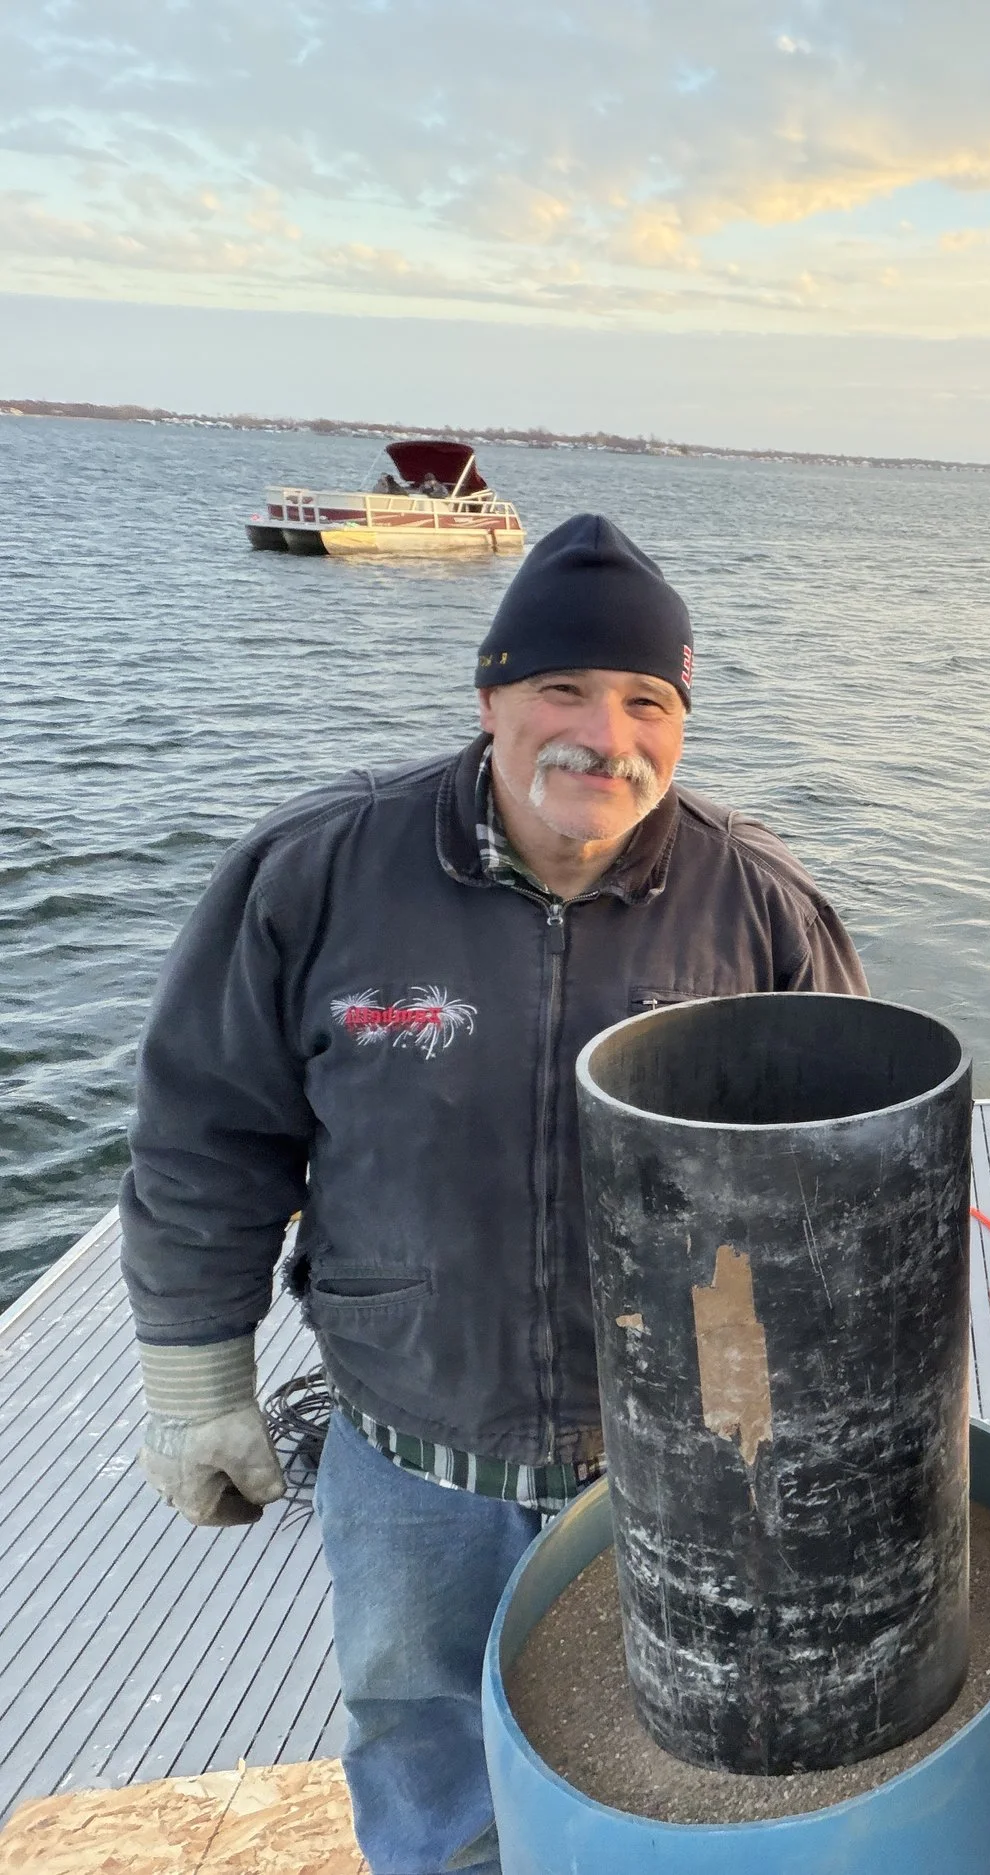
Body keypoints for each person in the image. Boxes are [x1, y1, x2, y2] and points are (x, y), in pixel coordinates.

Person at [119, 514, 865, 1875]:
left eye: (647, 699)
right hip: (412, 1454)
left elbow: (845, 1199)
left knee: (678, 1772)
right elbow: (203, 1132)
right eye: (563, 691)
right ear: (491, 699)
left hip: (672, 1477)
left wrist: (827, 1445)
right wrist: (194, 1371)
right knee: (426, 1755)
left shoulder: (762, 907)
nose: (605, 733)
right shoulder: (319, 869)